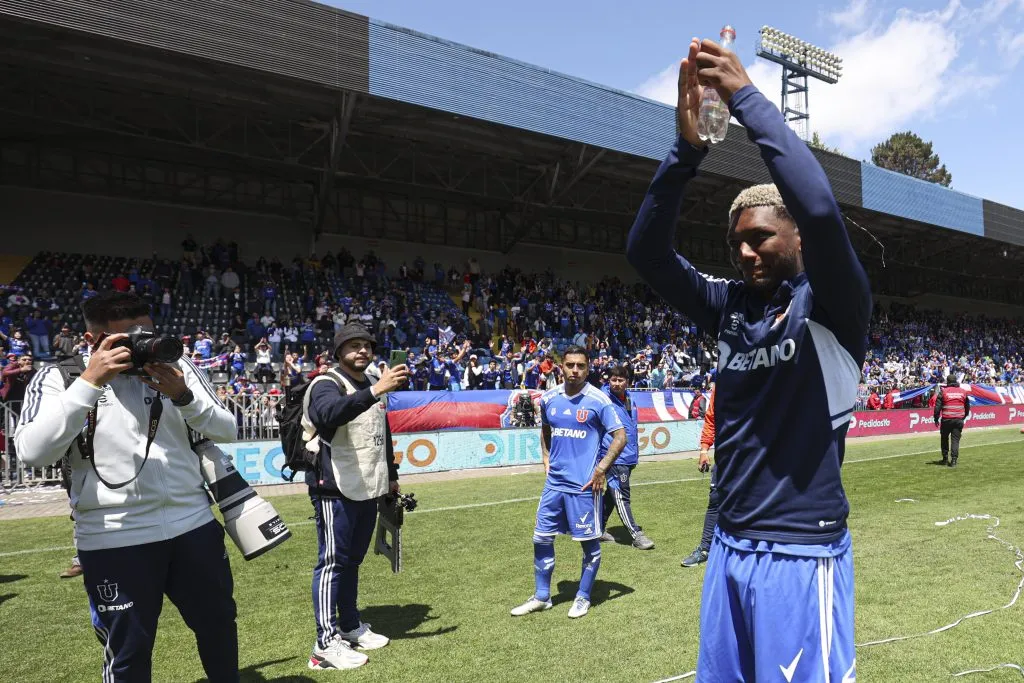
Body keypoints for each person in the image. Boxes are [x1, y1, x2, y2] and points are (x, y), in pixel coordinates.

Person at [626, 38, 871, 681]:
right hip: (730, 546)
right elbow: (646, 253)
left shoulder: (834, 305)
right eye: (736, 242)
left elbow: (819, 206)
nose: (745, 252)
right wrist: (686, 152)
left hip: (802, 551)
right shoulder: (728, 306)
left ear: (797, 238)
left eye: (760, 237)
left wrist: (745, 98)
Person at [14, 291, 239, 682]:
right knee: (128, 652)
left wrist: (183, 396)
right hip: (113, 537)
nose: (141, 346)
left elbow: (228, 429)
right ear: (92, 340)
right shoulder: (59, 377)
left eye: (146, 334)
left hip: (192, 525)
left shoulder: (175, 366)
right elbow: (32, 452)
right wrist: (89, 382)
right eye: (127, 338)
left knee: (219, 627)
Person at [303, 323, 410, 670]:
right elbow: (329, 414)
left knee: (352, 561)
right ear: (338, 352)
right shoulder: (326, 383)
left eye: (366, 345)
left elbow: (382, 432)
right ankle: (324, 645)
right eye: (353, 345)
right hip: (334, 487)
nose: (362, 350)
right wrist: (377, 389)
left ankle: (349, 625)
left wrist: (391, 476)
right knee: (332, 562)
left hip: (367, 486)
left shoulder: (373, 383)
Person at [511, 346, 626, 619]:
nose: (575, 370)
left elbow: (620, 436)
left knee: (589, 544)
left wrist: (601, 469)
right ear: (560, 366)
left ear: (588, 368)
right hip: (554, 485)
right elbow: (546, 430)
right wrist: (545, 459)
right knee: (540, 538)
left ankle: (583, 596)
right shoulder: (549, 398)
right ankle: (542, 597)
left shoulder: (598, 400)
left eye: (581, 366)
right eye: (570, 365)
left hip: (583, 487)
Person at [598, 364, 655, 550]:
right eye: (613, 380)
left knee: (611, 496)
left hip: (629, 456)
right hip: (614, 456)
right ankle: (636, 535)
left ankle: (597, 529)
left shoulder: (629, 398)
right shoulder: (603, 399)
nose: (616, 383)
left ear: (627, 382)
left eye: (620, 380)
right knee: (622, 495)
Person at [681, 383, 718, 568]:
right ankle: (705, 549)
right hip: (727, 457)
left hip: (759, 457)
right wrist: (704, 450)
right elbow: (711, 418)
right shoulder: (724, 385)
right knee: (715, 501)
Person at [934, 374, 970, 467]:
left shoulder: (943, 391)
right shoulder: (963, 391)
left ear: (948, 382)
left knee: (944, 438)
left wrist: (936, 418)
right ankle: (954, 460)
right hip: (958, 419)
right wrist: (964, 416)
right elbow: (967, 406)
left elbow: (937, 407)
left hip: (946, 419)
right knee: (955, 440)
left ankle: (945, 459)